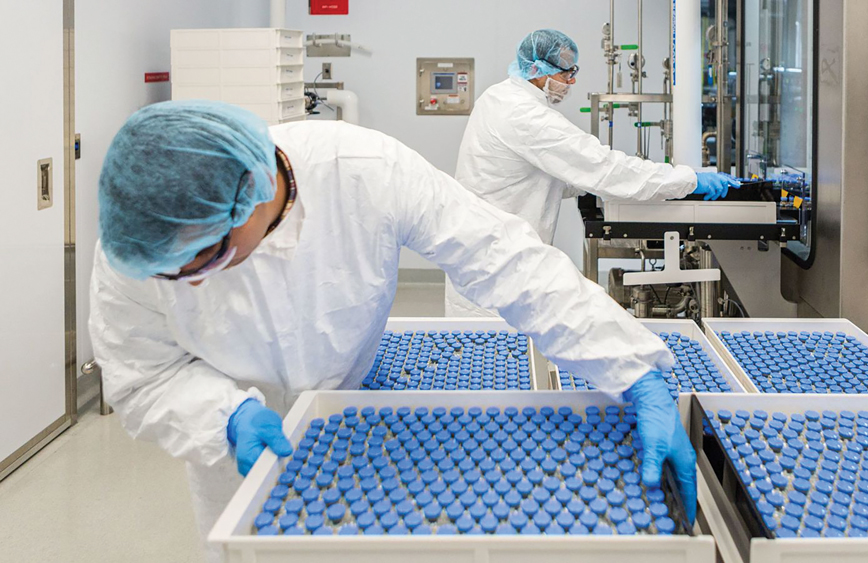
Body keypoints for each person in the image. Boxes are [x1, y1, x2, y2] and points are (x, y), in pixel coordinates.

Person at [90, 100, 696, 561]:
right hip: (232, 461)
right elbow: (141, 375)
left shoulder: (363, 171)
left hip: (354, 422)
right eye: (175, 273)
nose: (191, 282)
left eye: (207, 258)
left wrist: (631, 369)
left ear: (252, 195)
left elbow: (505, 260)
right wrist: (224, 417)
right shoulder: (143, 242)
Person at [445, 29, 738, 317]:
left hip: (485, 255)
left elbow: (533, 175)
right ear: (537, 70)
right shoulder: (526, 115)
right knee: (498, 345)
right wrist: (688, 180)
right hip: (498, 271)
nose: (571, 81)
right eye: (566, 73)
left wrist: (593, 179)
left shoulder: (498, 97)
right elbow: (604, 167)